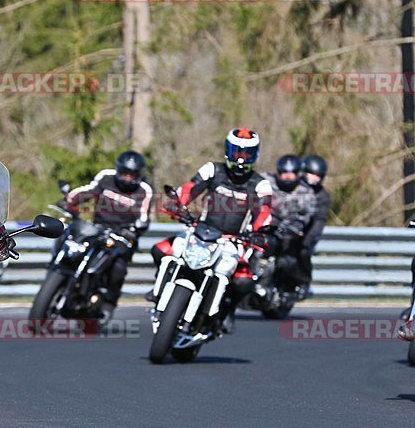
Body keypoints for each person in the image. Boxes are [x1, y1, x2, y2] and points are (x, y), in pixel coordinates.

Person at [148, 128, 273, 333]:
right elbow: (191, 187)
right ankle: (161, 289)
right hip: (200, 232)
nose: (241, 158)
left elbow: (264, 211)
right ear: (227, 150)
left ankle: (227, 310)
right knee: (160, 250)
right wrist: (177, 202)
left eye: (246, 153)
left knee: (243, 281)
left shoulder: (260, 184)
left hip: (233, 242)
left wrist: (259, 230)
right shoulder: (213, 170)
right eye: (237, 151)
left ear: (255, 155)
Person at [62, 151, 153, 321]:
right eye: (124, 173)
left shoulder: (144, 190)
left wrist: (136, 228)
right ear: (118, 170)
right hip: (98, 228)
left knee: (118, 268)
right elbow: (88, 191)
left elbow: (144, 216)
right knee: (74, 247)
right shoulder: (106, 177)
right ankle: (67, 281)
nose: (127, 178)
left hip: (124, 235)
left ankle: (108, 304)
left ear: (138, 175)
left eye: (131, 175)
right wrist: (70, 201)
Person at [261, 154, 317, 299]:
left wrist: (294, 226)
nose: (287, 176)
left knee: (288, 260)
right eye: (284, 172)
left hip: (287, 232)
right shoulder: (266, 182)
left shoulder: (306, 192)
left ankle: (293, 286)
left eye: (291, 173)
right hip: (263, 227)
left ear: (298, 173)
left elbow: (306, 215)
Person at [299, 154, 331, 296]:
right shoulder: (294, 188)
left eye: (318, 175)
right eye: (311, 173)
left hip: (307, 233)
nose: (314, 178)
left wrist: (308, 238)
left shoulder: (323, 196)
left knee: (303, 253)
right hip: (287, 230)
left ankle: (304, 282)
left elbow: (320, 220)